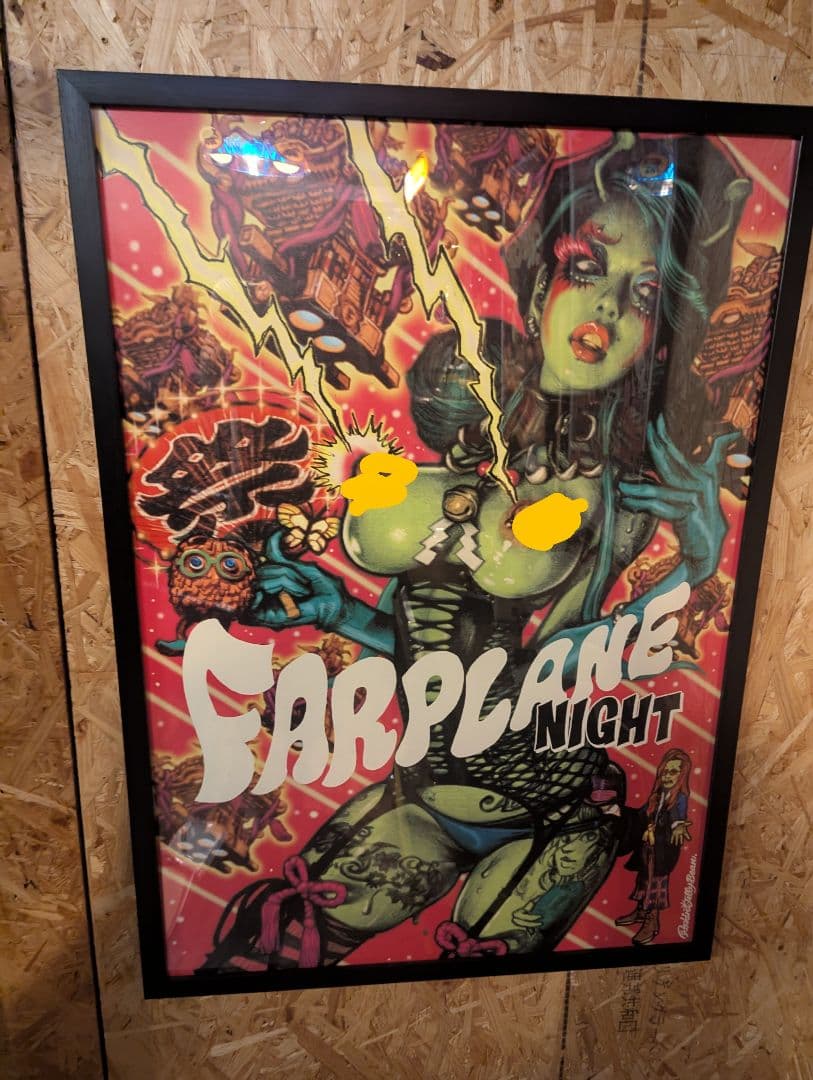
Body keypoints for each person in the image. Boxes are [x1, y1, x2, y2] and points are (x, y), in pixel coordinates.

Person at [197, 131, 749, 972]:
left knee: (484, 979)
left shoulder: (623, 484)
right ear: (538, 285)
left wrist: (699, 561)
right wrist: (341, 612)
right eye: (585, 267)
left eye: (642, 295)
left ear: (660, 336)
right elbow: (433, 645)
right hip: (430, 789)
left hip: (553, 814)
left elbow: (554, 667)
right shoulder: (472, 428)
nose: (605, 310)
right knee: (269, 946)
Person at [615, 748, 693, 945]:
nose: (667, 776)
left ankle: (652, 920)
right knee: (643, 878)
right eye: (665, 771)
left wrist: (678, 827)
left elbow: (678, 818)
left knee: (656, 884)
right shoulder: (657, 795)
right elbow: (641, 814)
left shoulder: (679, 798)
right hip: (648, 847)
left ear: (682, 775)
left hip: (663, 850)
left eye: (673, 772)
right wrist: (619, 811)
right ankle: (642, 911)